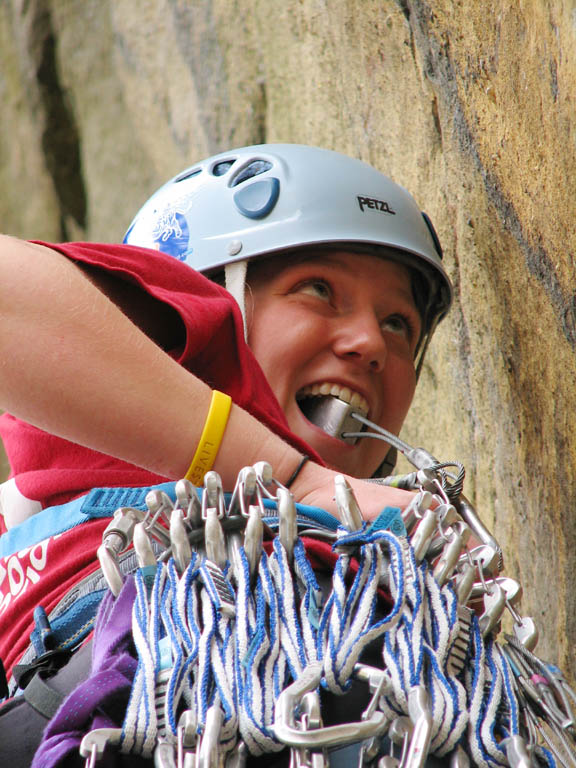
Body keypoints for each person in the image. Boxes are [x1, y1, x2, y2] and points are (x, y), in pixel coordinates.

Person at [0, 144, 452, 763]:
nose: (372, 342)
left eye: (399, 324)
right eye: (318, 290)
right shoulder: (166, 358)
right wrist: (292, 479)